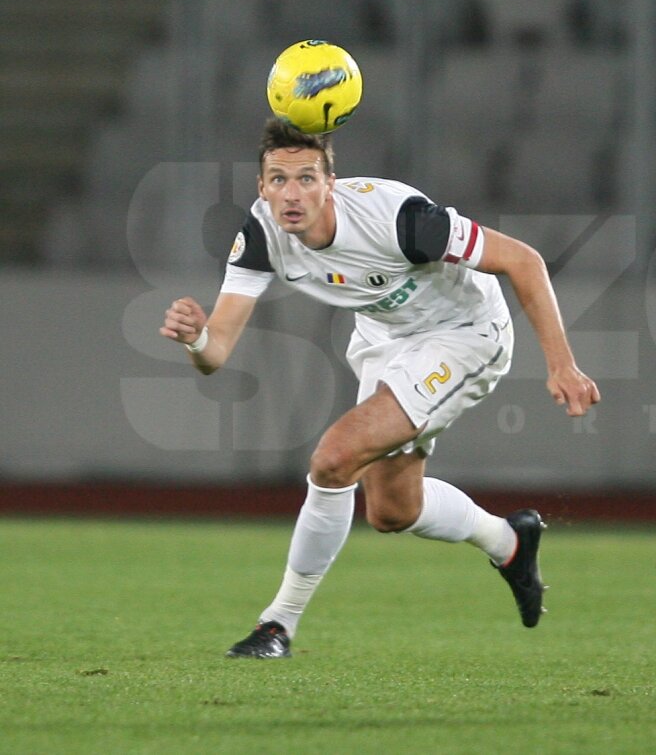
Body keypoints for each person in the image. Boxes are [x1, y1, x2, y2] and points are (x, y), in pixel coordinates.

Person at [161, 118, 600, 658]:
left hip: (463, 334)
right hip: (385, 336)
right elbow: (216, 353)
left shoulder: (399, 220)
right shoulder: (261, 234)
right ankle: (509, 542)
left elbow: (523, 260)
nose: (291, 194)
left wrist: (562, 365)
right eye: (278, 179)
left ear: (331, 183)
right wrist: (195, 337)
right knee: (392, 509)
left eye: (305, 179)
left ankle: (278, 624)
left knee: (333, 459)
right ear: (261, 187)